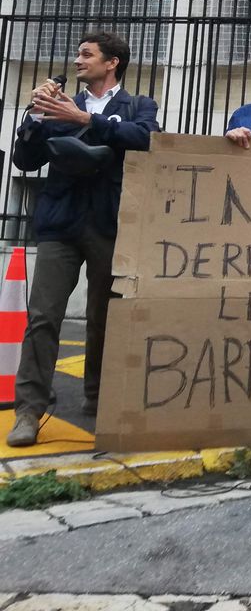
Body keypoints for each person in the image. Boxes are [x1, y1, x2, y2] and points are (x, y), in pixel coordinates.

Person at [6, 32, 160, 447]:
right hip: (60, 222)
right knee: (42, 317)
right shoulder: (59, 103)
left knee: (104, 317)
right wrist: (36, 115)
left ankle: (97, 397)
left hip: (112, 224)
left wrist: (86, 121)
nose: (78, 60)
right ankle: (28, 410)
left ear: (112, 63)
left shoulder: (138, 106)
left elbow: (147, 140)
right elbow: (25, 159)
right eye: (77, 53)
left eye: (87, 54)